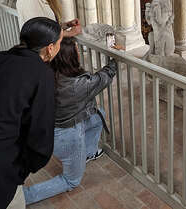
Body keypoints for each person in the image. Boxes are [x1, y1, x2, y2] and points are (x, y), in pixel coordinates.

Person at [0, 17, 63, 209]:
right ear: (50, 48)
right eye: (59, 43)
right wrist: (18, 171)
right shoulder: (41, 74)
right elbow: (41, 139)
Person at [23, 37, 117, 205]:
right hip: (66, 136)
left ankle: (87, 153)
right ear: (70, 56)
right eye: (75, 50)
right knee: (71, 180)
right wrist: (116, 57)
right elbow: (104, 77)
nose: (79, 53)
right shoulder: (76, 85)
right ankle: (24, 197)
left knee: (98, 116)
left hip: (50, 129)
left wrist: (66, 29)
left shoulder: (46, 72)